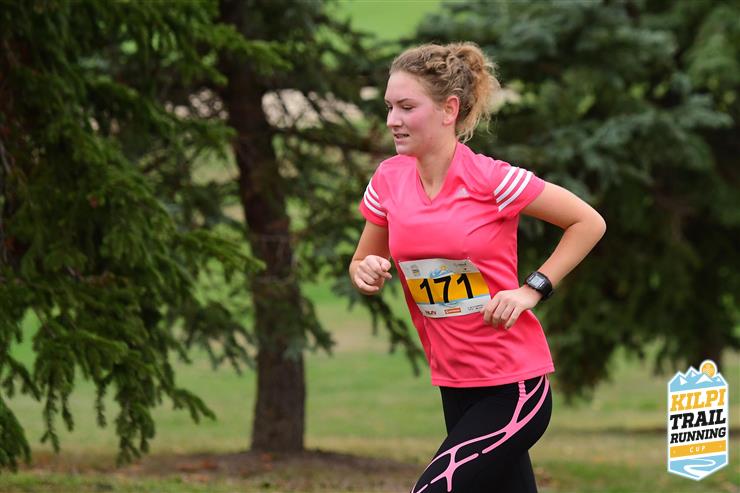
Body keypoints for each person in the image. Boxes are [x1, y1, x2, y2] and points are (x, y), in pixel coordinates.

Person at [348, 42, 606, 493]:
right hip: (454, 382)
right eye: (389, 107)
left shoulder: (492, 180)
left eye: (407, 107)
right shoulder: (389, 179)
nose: (392, 120)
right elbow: (362, 262)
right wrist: (365, 270)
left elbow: (588, 222)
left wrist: (532, 289)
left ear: (448, 110)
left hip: (513, 387)